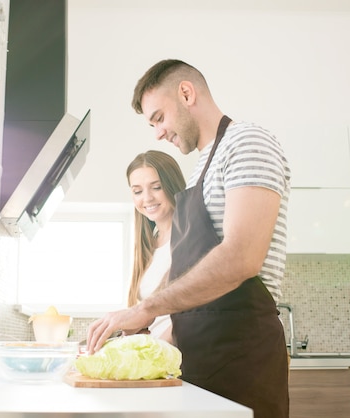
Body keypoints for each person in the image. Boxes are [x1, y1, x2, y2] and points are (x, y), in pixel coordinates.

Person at [86, 59, 291, 418]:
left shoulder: (246, 142)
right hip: (199, 363)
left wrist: (145, 308)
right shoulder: (201, 168)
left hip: (242, 362)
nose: (158, 134)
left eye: (159, 118)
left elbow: (242, 256)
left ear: (186, 93)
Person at [125, 150, 186, 343]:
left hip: (177, 356)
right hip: (159, 359)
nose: (147, 198)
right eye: (137, 191)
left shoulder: (189, 238)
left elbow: (187, 314)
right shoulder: (149, 245)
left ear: (172, 186)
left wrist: (161, 350)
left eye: (156, 187)